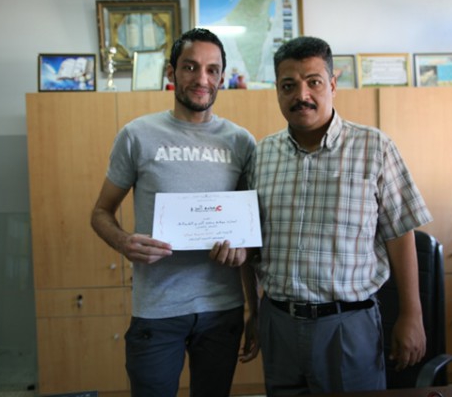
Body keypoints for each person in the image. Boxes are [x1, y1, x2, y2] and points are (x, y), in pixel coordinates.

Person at [245, 36, 433, 395]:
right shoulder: (262, 154)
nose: (301, 95)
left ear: (332, 85)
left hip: (347, 324)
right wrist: (253, 311)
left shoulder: (374, 147)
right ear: (277, 91)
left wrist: (412, 315)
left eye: (313, 82)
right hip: (278, 322)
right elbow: (250, 241)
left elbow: (400, 232)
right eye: (288, 85)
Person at [90, 28, 256, 397]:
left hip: (222, 308)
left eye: (212, 70)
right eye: (190, 67)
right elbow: (100, 212)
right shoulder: (137, 135)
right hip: (157, 309)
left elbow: (249, 231)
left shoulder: (241, 142)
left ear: (222, 78)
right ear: (171, 73)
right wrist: (123, 242)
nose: (202, 79)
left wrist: (251, 295)